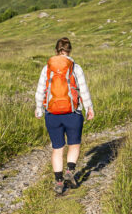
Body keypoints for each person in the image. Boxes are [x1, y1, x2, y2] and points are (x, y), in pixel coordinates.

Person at [34, 36, 94, 195]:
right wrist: (89, 107)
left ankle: (59, 182)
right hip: (73, 113)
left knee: (57, 148)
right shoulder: (75, 67)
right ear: (69, 50)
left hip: (52, 114)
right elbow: (83, 89)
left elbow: (41, 90)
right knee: (74, 144)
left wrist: (39, 108)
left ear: (56, 51)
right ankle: (70, 171)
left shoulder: (47, 68)